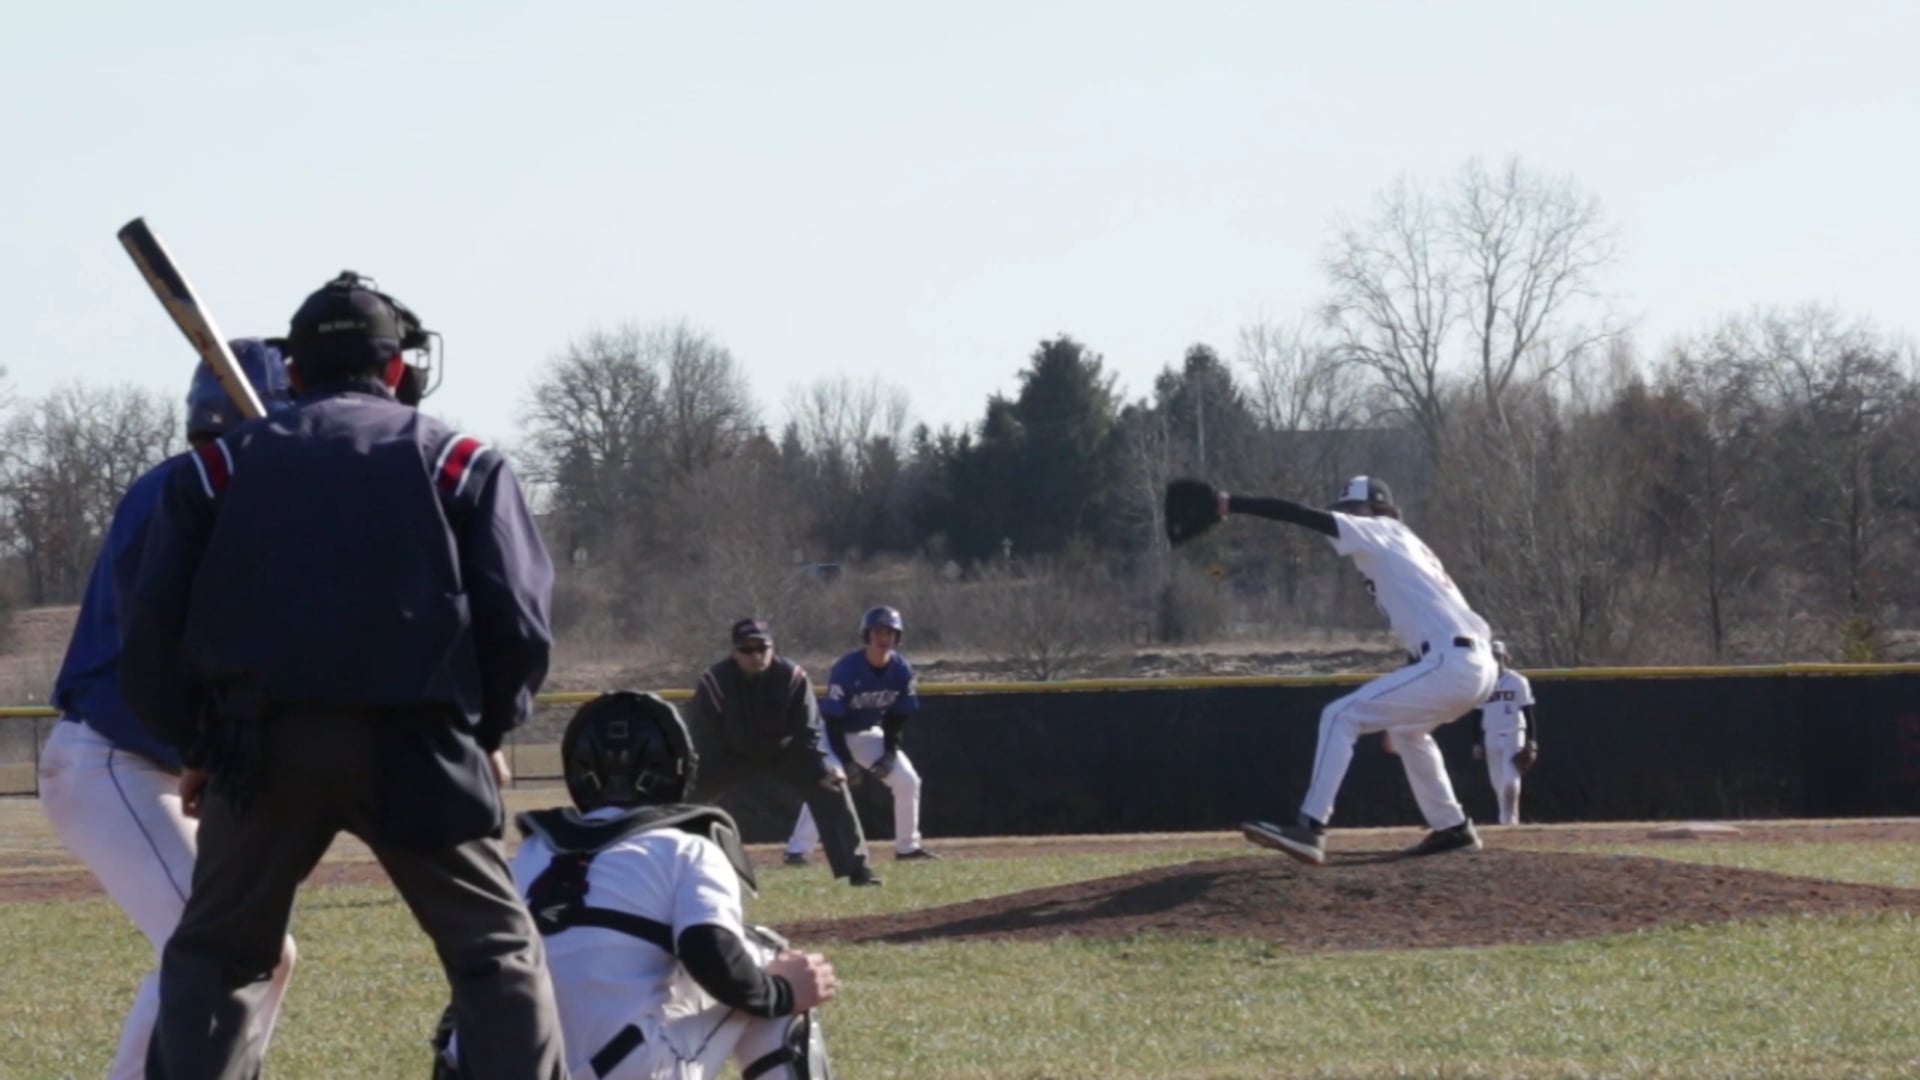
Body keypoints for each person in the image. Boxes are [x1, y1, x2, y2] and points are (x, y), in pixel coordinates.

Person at [119, 271, 567, 1079]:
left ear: (293, 375)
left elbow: (149, 630)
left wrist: (196, 743)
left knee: (218, 962)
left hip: (260, 747)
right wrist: (487, 728)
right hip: (421, 743)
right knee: (496, 957)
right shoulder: (462, 463)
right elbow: (522, 624)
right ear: (398, 370)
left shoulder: (214, 471)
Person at [38, 342, 298, 1080]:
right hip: (111, 759)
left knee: (258, 953)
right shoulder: (183, 488)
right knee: (220, 948)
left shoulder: (234, 493)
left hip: (151, 762)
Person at [438, 691, 841, 1079]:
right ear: (679, 768)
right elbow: (711, 954)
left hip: (498, 1066)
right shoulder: (687, 847)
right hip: (618, 1066)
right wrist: (785, 992)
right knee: (776, 964)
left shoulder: (528, 855)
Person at [1233, 476, 1498, 865]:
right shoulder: (1402, 546)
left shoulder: (1380, 531)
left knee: (1340, 715)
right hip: (1470, 662)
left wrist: (1233, 503)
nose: (1345, 520)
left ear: (1378, 511)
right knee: (1408, 733)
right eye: (1344, 513)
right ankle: (1452, 828)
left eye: (1351, 511)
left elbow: (1302, 516)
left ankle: (1309, 827)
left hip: (1455, 661)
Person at [688, 618, 881, 887]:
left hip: (784, 751)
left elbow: (809, 729)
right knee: (680, 797)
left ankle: (858, 869)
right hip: (730, 754)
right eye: (747, 650)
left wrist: (818, 770)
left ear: (773, 648)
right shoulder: (715, 681)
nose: (756, 656)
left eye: (762, 648)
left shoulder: (792, 677)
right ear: (734, 652)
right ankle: (669, 867)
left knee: (832, 786)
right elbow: (702, 733)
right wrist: (697, 775)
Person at [785, 606, 938, 863]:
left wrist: (889, 754)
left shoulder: (901, 670)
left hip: (868, 733)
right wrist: (846, 762)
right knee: (829, 782)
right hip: (832, 735)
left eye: (890, 632)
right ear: (866, 635)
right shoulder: (847, 668)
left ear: (897, 638)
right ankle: (797, 851)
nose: (884, 637)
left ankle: (907, 848)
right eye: (878, 631)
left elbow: (896, 718)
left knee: (908, 780)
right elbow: (833, 721)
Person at [1469, 640, 1539, 825]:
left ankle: (1510, 821)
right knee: (1498, 783)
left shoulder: (1517, 681)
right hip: (1491, 734)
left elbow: (1528, 710)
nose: (1495, 660)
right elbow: (1477, 714)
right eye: (1491, 657)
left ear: (1506, 657)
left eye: (1498, 656)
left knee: (1510, 781)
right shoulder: (1482, 683)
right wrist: (1476, 742)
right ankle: (1505, 820)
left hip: (1514, 733)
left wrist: (1532, 739)